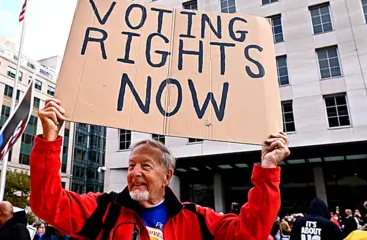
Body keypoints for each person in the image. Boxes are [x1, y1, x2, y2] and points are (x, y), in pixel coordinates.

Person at [29, 98, 291, 239]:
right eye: (131, 166)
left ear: (167, 176)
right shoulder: (103, 210)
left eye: (145, 166)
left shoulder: (197, 220)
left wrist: (267, 170)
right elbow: (47, 204)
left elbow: (251, 232)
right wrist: (49, 140)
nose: (135, 172)